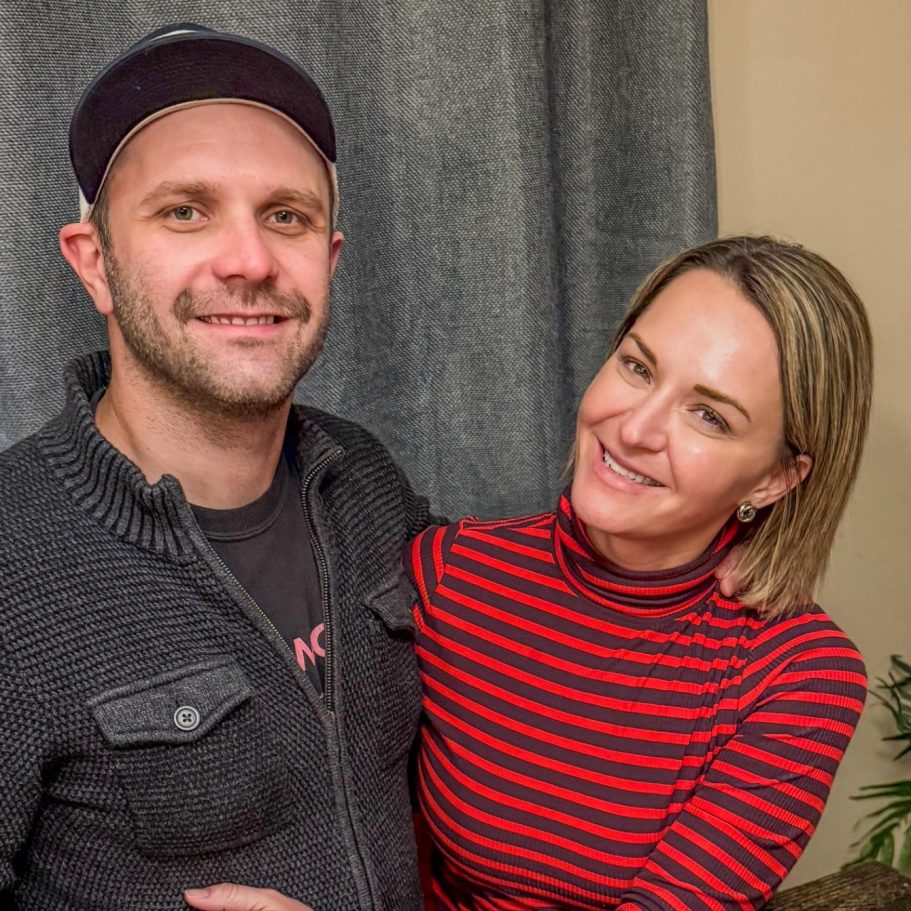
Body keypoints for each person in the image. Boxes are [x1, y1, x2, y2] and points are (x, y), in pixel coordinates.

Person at [195, 236, 872, 911]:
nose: (634, 429)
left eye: (708, 416)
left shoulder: (799, 673)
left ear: (776, 478)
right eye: (638, 367)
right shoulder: (449, 575)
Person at [0, 23, 432, 910]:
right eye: (185, 211)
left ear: (329, 259)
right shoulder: (12, 558)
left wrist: (703, 545)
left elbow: (534, 595)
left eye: (286, 216)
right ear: (95, 263)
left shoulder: (365, 480)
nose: (250, 261)